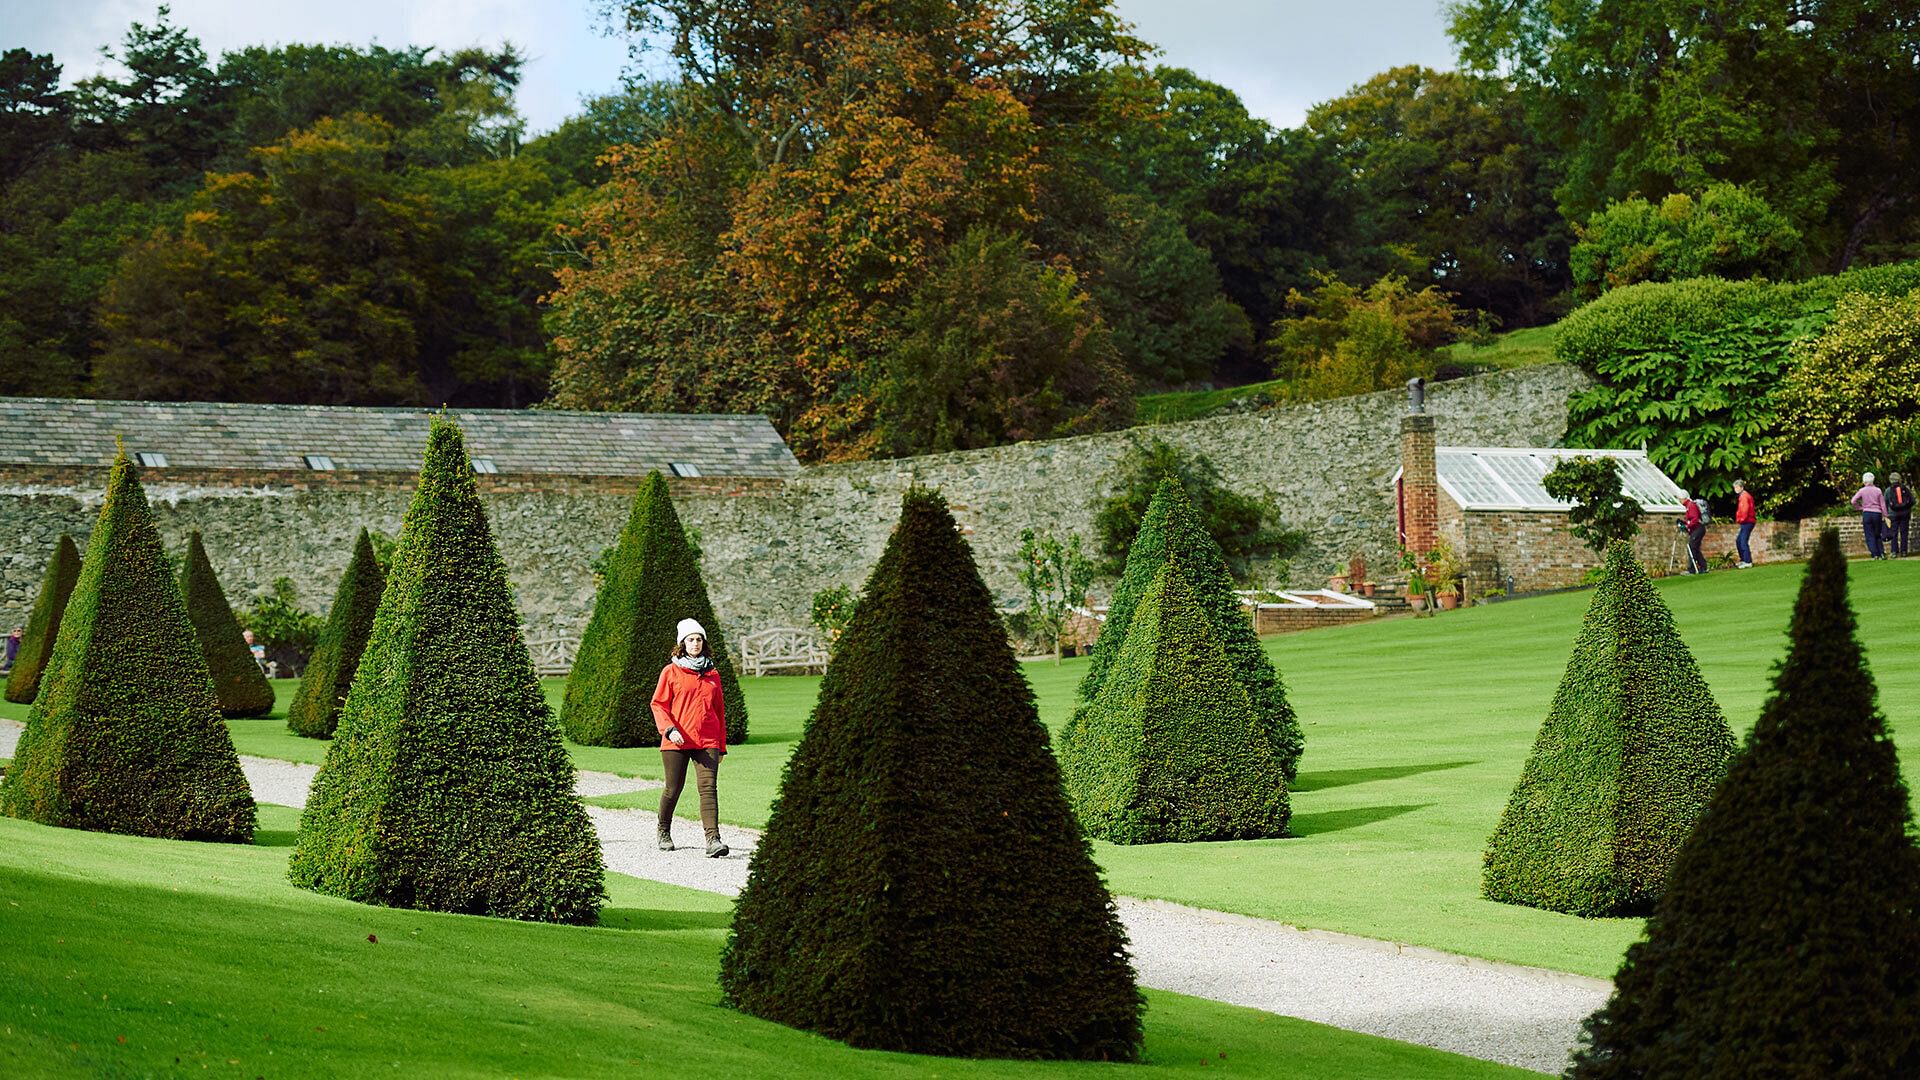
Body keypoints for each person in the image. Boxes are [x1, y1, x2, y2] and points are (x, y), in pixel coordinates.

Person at [650, 618, 729, 857]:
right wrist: (669, 729)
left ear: (703, 643)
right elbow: (658, 704)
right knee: (673, 788)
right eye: (690, 639)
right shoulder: (670, 671)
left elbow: (719, 711)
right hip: (676, 740)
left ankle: (713, 840)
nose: (695, 643)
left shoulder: (713, 674)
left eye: (698, 639)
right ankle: (663, 830)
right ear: (682, 643)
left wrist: (722, 746)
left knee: (708, 788)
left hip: (707, 741)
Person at [1852, 472, 1888, 559]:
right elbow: (1882, 504)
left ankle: (1875, 554)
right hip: (1877, 513)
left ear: (1864, 481)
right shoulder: (1878, 490)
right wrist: (1885, 515)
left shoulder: (1862, 491)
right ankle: (1882, 553)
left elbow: (1853, 501)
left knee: (1869, 535)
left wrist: (1859, 508)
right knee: (1877, 534)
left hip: (1867, 513)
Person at [1678, 489, 1708, 573]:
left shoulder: (1691, 506)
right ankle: (1703, 567)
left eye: (1680, 499)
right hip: (1697, 529)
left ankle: (1692, 569)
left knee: (1691, 547)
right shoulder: (1689, 506)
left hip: (1698, 529)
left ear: (1683, 498)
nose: (1679, 501)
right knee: (1695, 548)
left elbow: (1695, 519)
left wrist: (1687, 526)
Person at [1888, 471, 1914, 558]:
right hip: (1905, 514)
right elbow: (1912, 501)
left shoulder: (1888, 490)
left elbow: (1885, 502)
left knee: (1894, 533)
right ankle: (1903, 551)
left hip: (1893, 514)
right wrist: (1907, 508)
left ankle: (1894, 551)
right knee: (1904, 533)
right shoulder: (1905, 488)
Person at [1733, 479, 1757, 568]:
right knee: (1739, 540)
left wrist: (1741, 519)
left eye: (1736, 487)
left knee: (1743, 541)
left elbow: (1744, 510)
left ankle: (1747, 561)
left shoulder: (1744, 496)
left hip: (1747, 521)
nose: (1735, 489)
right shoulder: (1743, 496)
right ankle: (1743, 560)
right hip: (1747, 521)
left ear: (1741, 487)